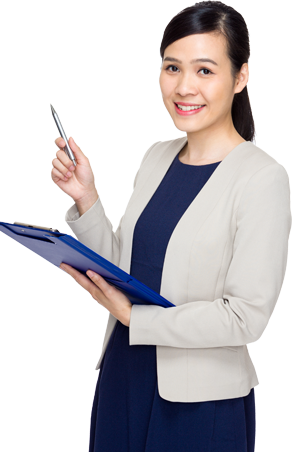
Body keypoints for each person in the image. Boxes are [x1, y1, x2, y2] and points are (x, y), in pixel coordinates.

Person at [51, 2, 291, 451]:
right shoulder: (157, 158)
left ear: (239, 78)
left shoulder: (262, 179)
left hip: (200, 404)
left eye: (205, 70)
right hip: (124, 377)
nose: (184, 86)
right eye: (172, 67)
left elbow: (245, 316)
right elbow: (127, 269)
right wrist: (86, 197)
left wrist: (134, 319)